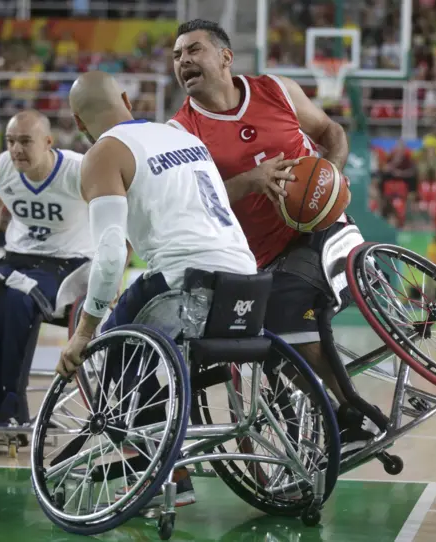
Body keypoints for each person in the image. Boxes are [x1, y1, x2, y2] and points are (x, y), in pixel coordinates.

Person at [168, 19, 377, 452]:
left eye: (193, 50)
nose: (183, 61)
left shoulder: (276, 90)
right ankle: (338, 417)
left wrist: (331, 176)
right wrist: (251, 179)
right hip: (265, 258)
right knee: (265, 333)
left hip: (325, 229)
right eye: (176, 56)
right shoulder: (181, 132)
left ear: (225, 57)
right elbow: (194, 203)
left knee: (285, 313)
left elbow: (331, 133)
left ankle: (351, 413)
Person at [56, 71, 257, 508]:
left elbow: (111, 257)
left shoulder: (103, 154)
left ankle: (149, 459)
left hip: (189, 282)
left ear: (77, 121)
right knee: (135, 310)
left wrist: (82, 333)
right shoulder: (179, 134)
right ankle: (161, 450)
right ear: (127, 99)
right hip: (247, 280)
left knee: (112, 340)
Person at [0, 110, 94, 428]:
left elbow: (118, 215)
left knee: (20, 301)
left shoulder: (78, 170)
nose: (16, 149)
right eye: (10, 141)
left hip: (70, 260)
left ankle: (12, 404)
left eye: (25, 141)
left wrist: (112, 272)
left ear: (48, 142)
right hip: (18, 256)